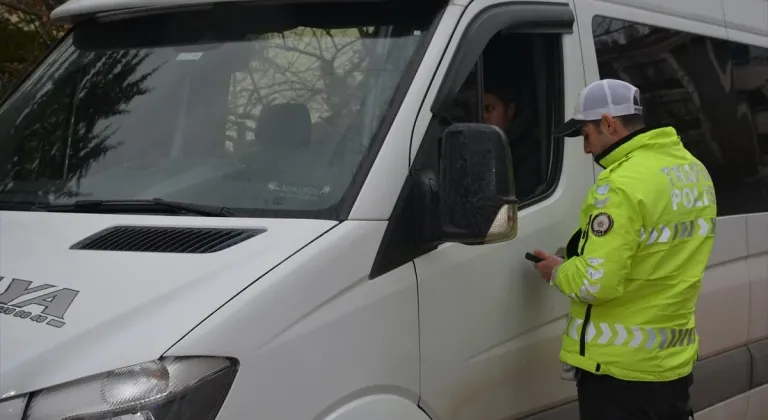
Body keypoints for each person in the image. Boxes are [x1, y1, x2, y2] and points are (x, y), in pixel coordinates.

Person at [532, 79, 717, 419]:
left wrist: (558, 271)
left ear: (608, 123)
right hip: (671, 365)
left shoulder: (620, 184)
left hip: (620, 374)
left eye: (586, 135)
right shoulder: (693, 170)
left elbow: (595, 283)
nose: (586, 149)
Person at [482, 84, 542, 201]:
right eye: (478, 109)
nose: (482, 116)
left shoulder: (527, 154)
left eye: (488, 109)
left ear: (510, 110)